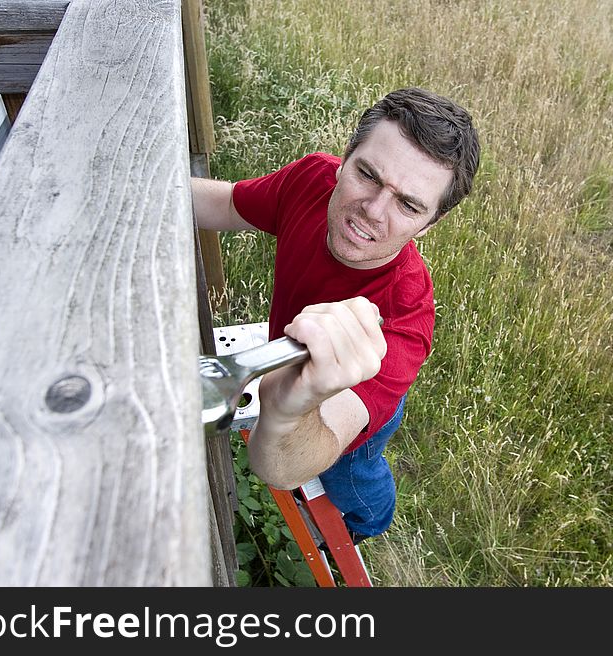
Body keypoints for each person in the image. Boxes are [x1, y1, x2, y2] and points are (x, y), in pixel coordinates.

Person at [192, 87, 480, 542]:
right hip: (296, 379)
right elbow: (228, 203)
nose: (373, 211)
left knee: (354, 475)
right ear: (344, 160)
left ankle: (368, 524)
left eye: (408, 205)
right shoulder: (311, 179)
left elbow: (285, 468)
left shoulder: (405, 315)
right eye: (367, 175)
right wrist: (145, 187)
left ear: (429, 224)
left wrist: (289, 410)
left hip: (355, 409)